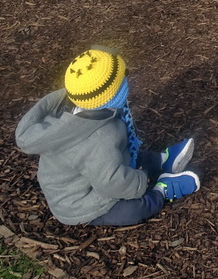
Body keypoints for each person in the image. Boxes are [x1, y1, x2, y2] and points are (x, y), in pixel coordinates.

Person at [16, 48, 200, 227]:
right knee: (133, 210)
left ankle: (161, 162)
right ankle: (161, 190)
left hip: (91, 175)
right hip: (80, 204)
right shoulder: (97, 140)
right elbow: (112, 183)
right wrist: (141, 180)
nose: (128, 79)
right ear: (109, 95)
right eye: (124, 76)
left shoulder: (79, 104)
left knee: (127, 155)